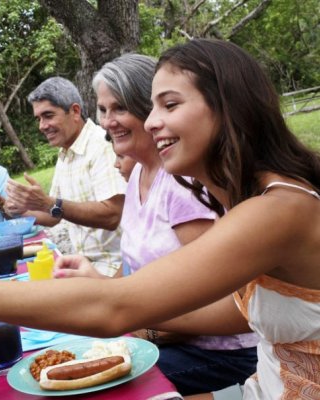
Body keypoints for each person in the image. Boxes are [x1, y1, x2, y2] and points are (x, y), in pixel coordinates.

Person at [0, 40, 320, 400]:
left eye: (168, 105)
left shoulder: (278, 209)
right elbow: (226, 311)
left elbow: (116, 307)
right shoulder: (246, 200)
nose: (150, 123)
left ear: (229, 108)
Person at [53, 54, 258, 395]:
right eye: (103, 110)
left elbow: (233, 303)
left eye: (119, 108)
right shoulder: (138, 176)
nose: (107, 122)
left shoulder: (182, 184)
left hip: (226, 350)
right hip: (170, 338)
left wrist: (139, 321)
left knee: (104, 388)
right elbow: (138, 273)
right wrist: (101, 283)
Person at [5, 77, 127, 276]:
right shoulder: (65, 153)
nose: (42, 126)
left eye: (48, 115)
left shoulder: (101, 145)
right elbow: (53, 216)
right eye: (39, 119)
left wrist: (50, 203)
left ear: (75, 111)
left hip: (115, 269)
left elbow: (112, 214)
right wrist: (5, 206)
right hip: (84, 265)